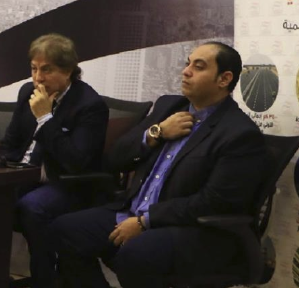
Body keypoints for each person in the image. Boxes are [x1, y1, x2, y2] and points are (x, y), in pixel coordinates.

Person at [52, 42, 268, 287]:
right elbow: (115, 159)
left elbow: (213, 202)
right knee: (65, 230)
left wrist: (146, 221)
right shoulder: (169, 106)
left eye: (198, 67)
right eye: (187, 63)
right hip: (132, 212)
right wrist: (156, 133)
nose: (186, 71)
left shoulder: (239, 133)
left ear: (224, 79)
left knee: (136, 253)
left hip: (191, 229)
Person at [0, 34, 108, 288]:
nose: (38, 78)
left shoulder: (90, 105)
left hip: (64, 184)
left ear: (67, 71)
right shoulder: (28, 92)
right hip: (21, 175)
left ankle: (44, 280)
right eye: (34, 69)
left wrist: (46, 118)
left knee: (32, 207)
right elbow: (10, 143)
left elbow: (76, 161)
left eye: (46, 70)